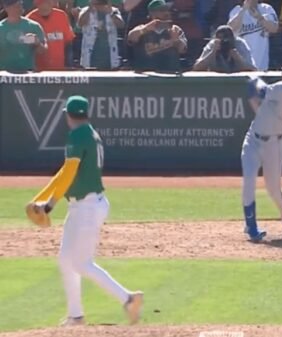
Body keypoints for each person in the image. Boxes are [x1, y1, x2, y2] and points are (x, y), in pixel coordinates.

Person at [27, 95, 143, 327]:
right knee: (65, 260)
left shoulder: (77, 135)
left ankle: (128, 298)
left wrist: (49, 205)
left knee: (81, 264)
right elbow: (64, 172)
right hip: (83, 206)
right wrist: (40, 199)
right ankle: (75, 315)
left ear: (68, 115)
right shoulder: (89, 133)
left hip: (87, 207)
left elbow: (68, 174)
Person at [241, 59, 282, 242]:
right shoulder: (279, 87)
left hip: (273, 144)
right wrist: (251, 95)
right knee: (248, 181)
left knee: (273, 189)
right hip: (252, 139)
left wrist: (253, 77)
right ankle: (251, 226)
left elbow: (261, 89)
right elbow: (260, 110)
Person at [127, 0, 187, 72]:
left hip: (170, 75)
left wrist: (176, 40)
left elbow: (182, 50)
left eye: (167, 10)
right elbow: (131, 38)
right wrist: (145, 29)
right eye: (162, 10)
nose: (166, 13)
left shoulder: (175, 29)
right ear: (151, 13)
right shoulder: (141, 28)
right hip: (147, 76)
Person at [228, 0, 279, 71]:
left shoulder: (266, 8)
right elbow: (230, 30)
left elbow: (274, 29)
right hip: (242, 64)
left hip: (261, 61)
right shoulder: (236, 10)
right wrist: (243, 10)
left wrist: (260, 18)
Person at [26, 0, 75, 70]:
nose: (46, 5)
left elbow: (68, 42)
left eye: (49, 2)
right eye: (42, 2)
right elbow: (23, 42)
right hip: (38, 71)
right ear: (36, 4)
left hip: (59, 69)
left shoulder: (61, 16)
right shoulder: (29, 19)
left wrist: (68, 65)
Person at [0, 0, 47, 71]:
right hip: (4, 75)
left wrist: (37, 43)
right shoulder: (1, 28)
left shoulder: (33, 26)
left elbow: (42, 51)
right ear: (6, 8)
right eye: (15, 6)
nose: (19, 8)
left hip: (27, 73)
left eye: (20, 5)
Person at [78, 0, 125, 70]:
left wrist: (110, 12)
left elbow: (121, 25)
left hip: (109, 55)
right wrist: (89, 9)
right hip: (90, 55)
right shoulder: (85, 10)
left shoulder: (114, 11)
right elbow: (80, 23)